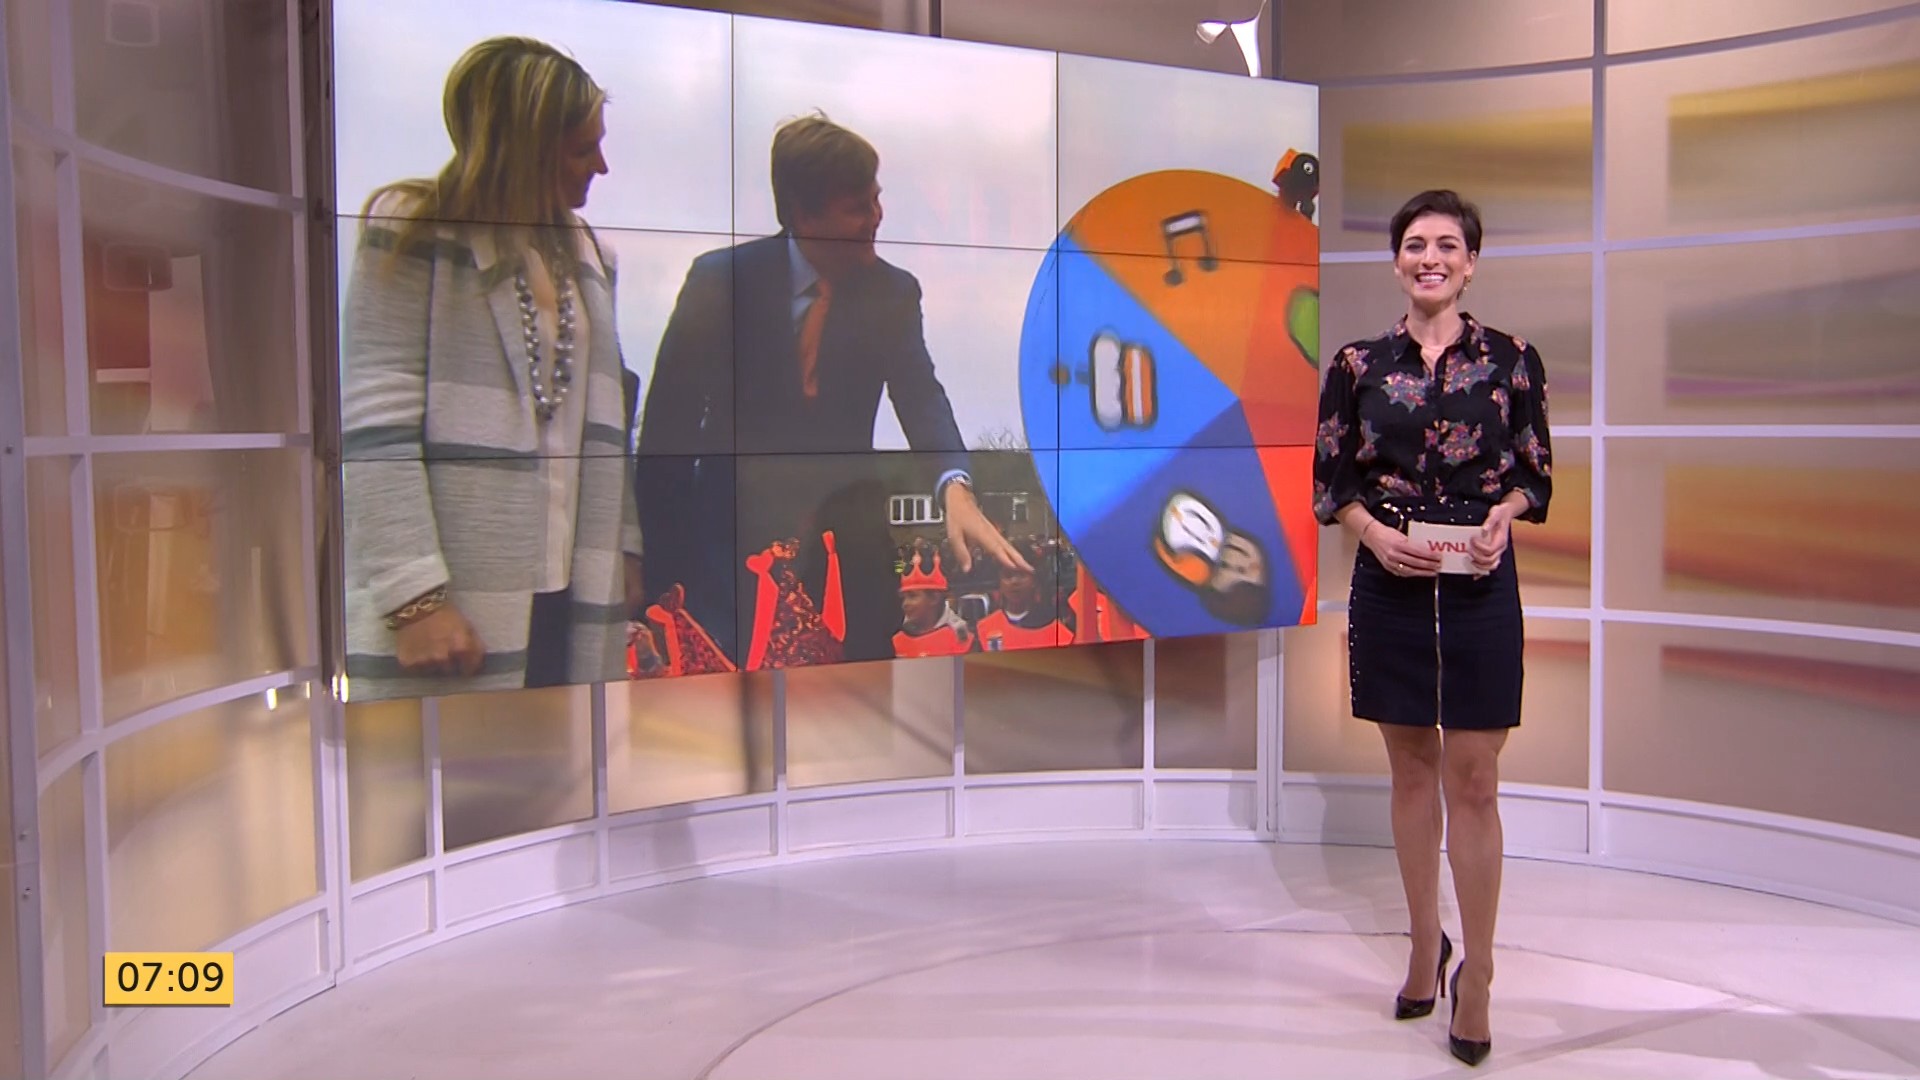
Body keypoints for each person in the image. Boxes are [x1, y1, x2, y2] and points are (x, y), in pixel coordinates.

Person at [635, 112, 1026, 666]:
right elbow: (667, 433)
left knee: (858, 707)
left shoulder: (892, 292)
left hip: (848, 562)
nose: (876, 217)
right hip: (731, 561)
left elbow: (921, 395)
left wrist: (954, 486)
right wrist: (656, 572)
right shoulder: (720, 282)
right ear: (803, 214)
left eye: (876, 199)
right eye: (857, 207)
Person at [1312, 189, 1551, 1067]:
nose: (1431, 258)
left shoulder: (1513, 359)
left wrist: (1505, 517)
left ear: (1471, 263)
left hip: (1482, 585)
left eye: (1448, 245)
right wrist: (1374, 535)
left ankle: (1477, 974)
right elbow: (1330, 481)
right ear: (1397, 261)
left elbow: (1535, 474)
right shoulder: (1357, 364)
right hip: (1390, 585)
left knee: (1475, 780)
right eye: (1416, 244)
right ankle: (1425, 945)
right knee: (1411, 770)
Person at [340, 37, 644, 699]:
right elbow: (376, 432)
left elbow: (606, 424)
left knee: (567, 758)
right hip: (456, 609)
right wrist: (415, 601)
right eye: (582, 149)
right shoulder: (414, 230)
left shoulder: (591, 256)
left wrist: (622, 546)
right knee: (447, 766)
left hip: (568, 599)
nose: (601, 166)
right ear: (527, 146)